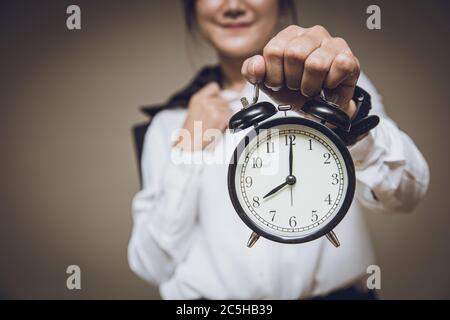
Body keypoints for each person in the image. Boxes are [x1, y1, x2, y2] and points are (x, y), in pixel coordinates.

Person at [128, 0, 430, 299]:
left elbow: (406, 195)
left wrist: (346, 118)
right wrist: (189, 150)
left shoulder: (337, 87)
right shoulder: (171, 124)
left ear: (282, 5)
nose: (233, 5)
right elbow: (152, 266)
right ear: (193, 10)